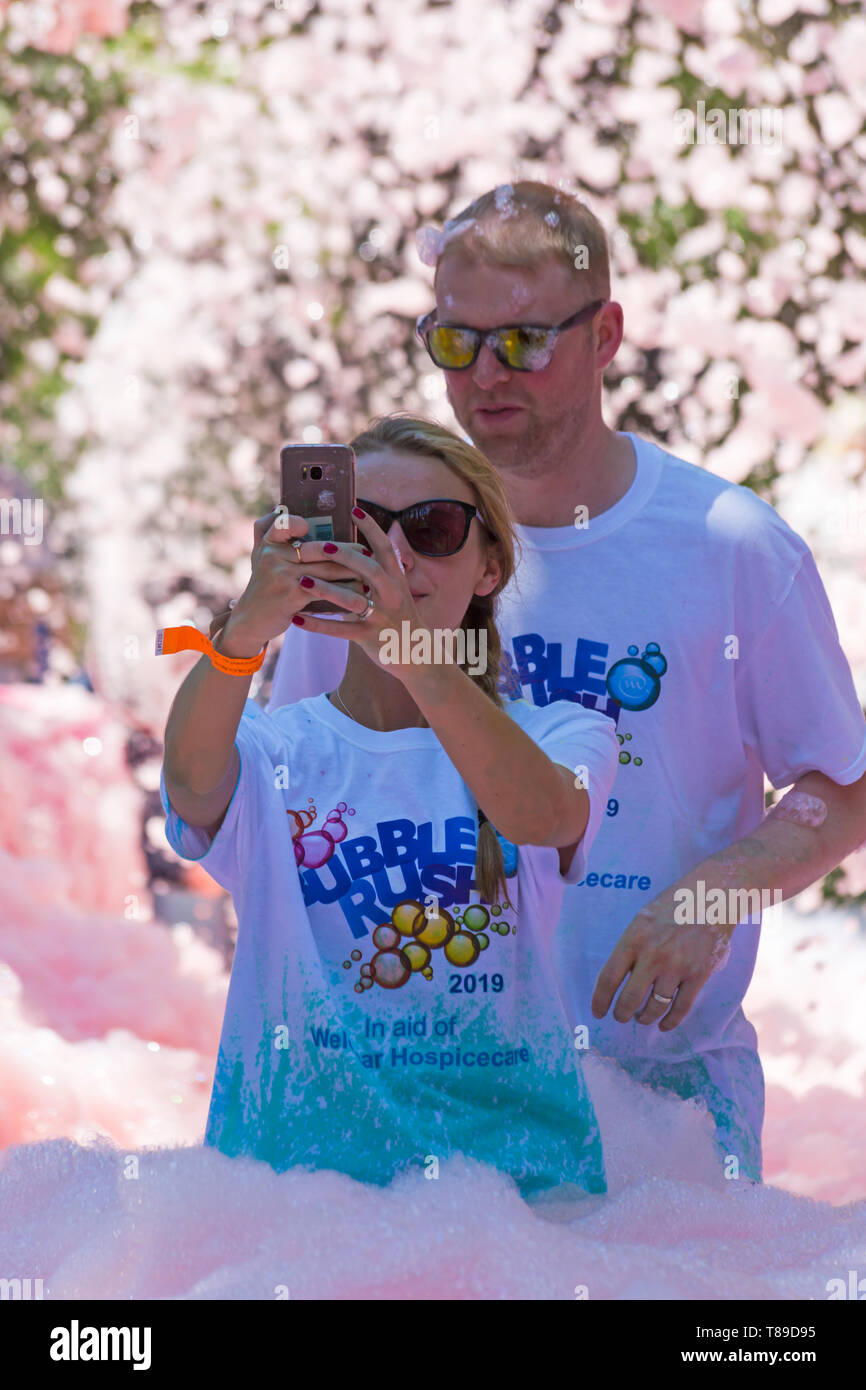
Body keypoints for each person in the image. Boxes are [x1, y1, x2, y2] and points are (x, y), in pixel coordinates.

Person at [244, 181, 866, 1184]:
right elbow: (294, 811)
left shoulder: (729, 546)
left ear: (605, 331)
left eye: (522, 340)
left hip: (652, 1099)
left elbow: (840, 785)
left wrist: (714, 896)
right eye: (453, 342)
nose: (484, 374)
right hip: (421, 1095)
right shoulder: (367, 558)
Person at [159, 414, 620, 1200]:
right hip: (295, 1203)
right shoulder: (274, 750)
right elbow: (190, 786)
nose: (394, 558)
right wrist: (244, 631)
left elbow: (542, 815)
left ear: (489, 567)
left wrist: (415, 657)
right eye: (361, 528)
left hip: (526, 1208)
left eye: (433, 529)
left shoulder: (563, 733)